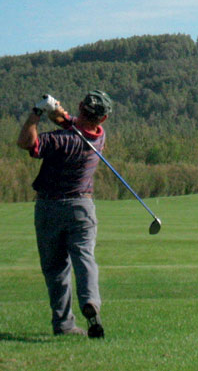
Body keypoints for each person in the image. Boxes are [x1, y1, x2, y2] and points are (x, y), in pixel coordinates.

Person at [17, 91, 112, 338]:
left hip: (49, 208)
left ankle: (64, 324)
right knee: (84, 258)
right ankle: (90, 301)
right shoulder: (99, 138)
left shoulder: (59, 141)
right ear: (102, 120)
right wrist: (57, 110)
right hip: (82, 207)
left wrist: (37, 112)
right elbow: (68, 121)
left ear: (80, 106)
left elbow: (27, 142)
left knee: (56, 269)